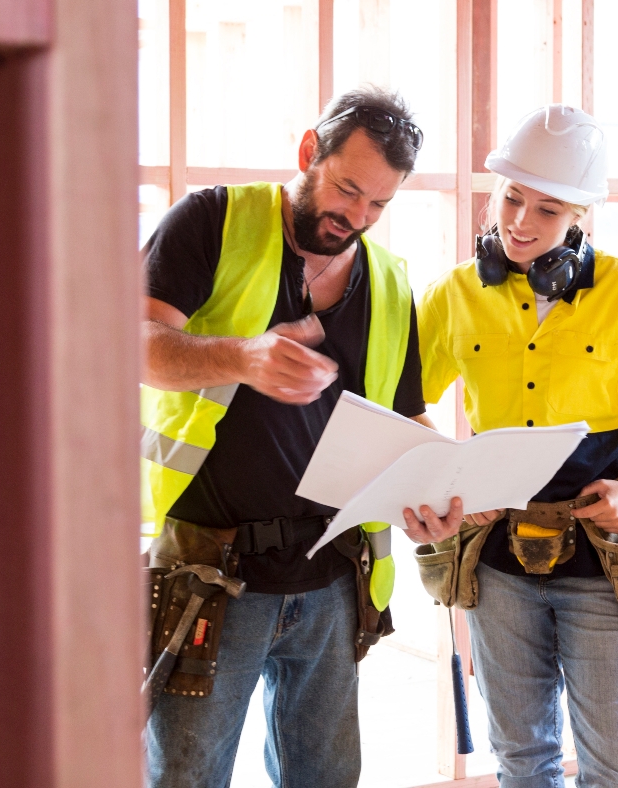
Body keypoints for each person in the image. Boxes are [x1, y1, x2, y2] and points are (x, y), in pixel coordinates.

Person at [140, 87, 450, 788]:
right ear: (309, 152)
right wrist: (241, 357)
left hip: (334, 577)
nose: (357, 218)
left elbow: (405, 418)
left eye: (378, 205)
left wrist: (441, 485)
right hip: (209, 571)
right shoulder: (213, 221)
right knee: (186, 778)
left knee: (327, 779)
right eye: (347, 191)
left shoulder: (390, 282)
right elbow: (134, 343)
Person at [403, 104, 618, 788]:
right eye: (512, 198)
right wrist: (453, 477)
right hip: (501, 561)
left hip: (604, 562)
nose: (520, 222)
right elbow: (401, 404)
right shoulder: (455, 294)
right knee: (521, 761)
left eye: (547, 209)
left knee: (617, 768)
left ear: (581, 218)